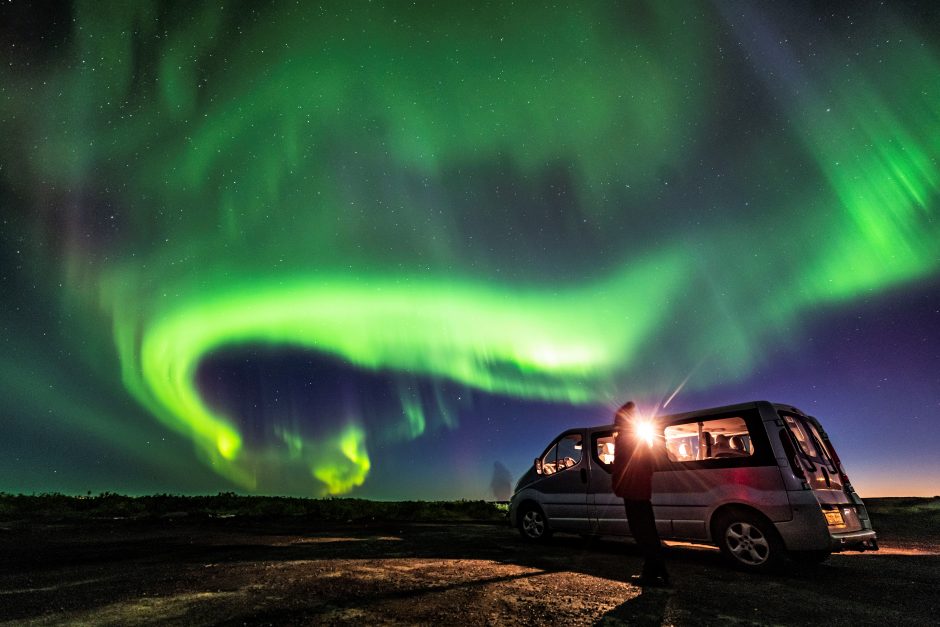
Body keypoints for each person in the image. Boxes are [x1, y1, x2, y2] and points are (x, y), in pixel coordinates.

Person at [611, 401, 670, 587]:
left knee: (641, 532)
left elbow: (622, 466)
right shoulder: (639, 438)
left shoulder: (625, 439)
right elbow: (650, 464)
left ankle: (653, 572)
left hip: (633, 491)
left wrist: (620, 484)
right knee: (648, 531)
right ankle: (657, 571)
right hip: (641, 490)